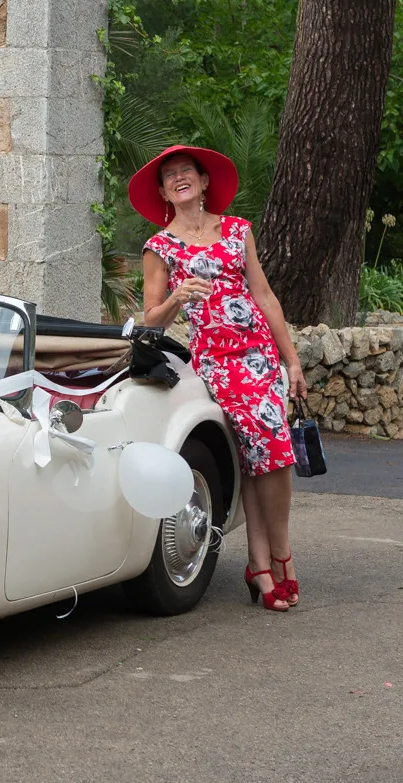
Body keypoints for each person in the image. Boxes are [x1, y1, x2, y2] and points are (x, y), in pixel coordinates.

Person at [130, 144, 304, 612]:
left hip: (261, 355)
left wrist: (291, 359)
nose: (179, 178)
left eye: (187, 171)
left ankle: (262, 561)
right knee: (271, 444)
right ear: (165, 192)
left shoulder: (237, 230)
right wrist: (177, 298)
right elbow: (149, 321)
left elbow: (264, 296)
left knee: (260, 455)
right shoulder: (159, 247)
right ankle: (280, 560)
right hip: (219, 362)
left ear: (205, 182)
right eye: (170, 176)